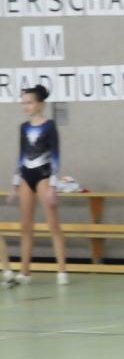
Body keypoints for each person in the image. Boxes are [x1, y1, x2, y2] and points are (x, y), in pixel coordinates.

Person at [9, 85, 68, 285]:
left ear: (40, 104)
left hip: (43, 175)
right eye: (23, 103)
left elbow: (56, 156)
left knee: (53, 225)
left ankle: (62, 270)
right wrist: (15, 184)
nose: (26, 106)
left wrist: (53, 185)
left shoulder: (50, 126)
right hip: (26, 176)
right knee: (26, 226)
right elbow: (21, 155)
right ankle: (25, 271)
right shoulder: (23, 128)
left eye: (29, 102)